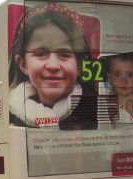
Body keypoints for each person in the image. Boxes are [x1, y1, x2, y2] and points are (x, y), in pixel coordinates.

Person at [9, 2, 98, 130]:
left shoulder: (98, 111)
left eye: (64, 54)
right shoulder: (8, 116)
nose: (53, 65)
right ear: (23, 65)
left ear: (79, 66)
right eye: (41, 53)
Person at [106, 52, 133, 123]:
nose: (124, 81)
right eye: (117, 75)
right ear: (109, 77)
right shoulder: (105, 99)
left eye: (130, 75)